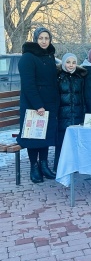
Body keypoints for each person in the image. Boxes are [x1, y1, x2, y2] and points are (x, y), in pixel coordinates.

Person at [17, 27, 60, 183]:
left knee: (44, 136)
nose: (44, 41)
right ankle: (34, 167)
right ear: (35, 39)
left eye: (46, 38)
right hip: (33, 105)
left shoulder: (49, 56)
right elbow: (28, 85)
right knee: (33, 136)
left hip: (48, 104)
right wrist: (38, 105)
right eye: (41, 38)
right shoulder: (28, 57)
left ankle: (44, 165)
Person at [56, 53, 87, 169]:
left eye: (74, 63)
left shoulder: (79, 78)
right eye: (68, 62)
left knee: (76, 141)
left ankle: (75, 165)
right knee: (62, 142)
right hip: (63, 115)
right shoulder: (58, 77)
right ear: (63, 63)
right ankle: (59, 166)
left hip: (77, 113)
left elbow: (82, 97)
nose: (71, 65)